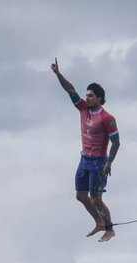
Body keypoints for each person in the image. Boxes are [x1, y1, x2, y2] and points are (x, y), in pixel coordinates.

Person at [51, 58, 120, 242]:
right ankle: (99, 222)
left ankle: (110, 229)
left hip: (98, 163)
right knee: (81, 196)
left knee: (96, 198)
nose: (87, 98)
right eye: (86, 95)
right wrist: (58, 74)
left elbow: (116, 143)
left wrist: (108, 163)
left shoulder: (107, 118)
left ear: (99, 98)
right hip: (84, 160)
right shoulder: (83, 109)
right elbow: (70, 90)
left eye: (90, 95)